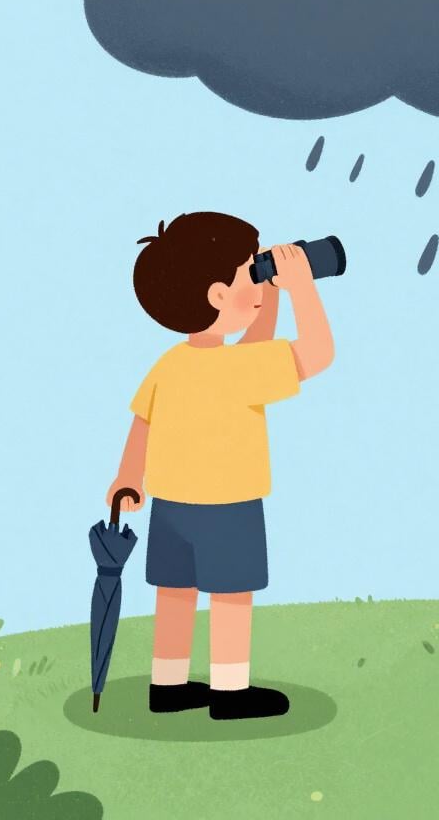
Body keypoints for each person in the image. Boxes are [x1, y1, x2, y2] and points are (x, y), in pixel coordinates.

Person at [105, 211, 335, 720]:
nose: (258, 284)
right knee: (231, 596)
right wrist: (300, 287)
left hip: (170, 507)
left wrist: (127, 478)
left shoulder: (172, 362)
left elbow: (143, 420)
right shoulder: (240, 369)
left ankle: (167, 684)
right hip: (228, 506)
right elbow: (318, 353)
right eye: (248, 273)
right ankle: (231, 692)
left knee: (175, 593)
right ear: (216, 295)